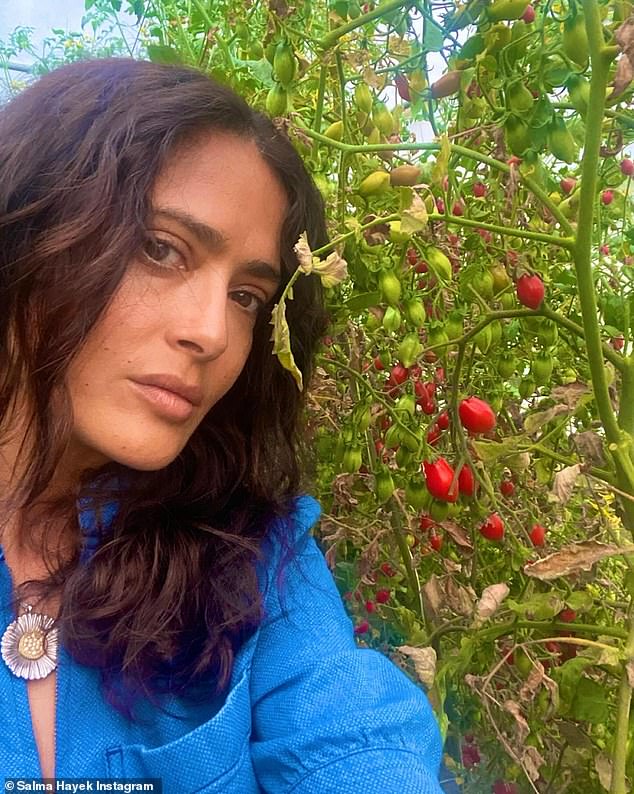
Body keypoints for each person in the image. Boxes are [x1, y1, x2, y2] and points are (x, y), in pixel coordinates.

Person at [0, 57, 443, 792]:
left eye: (246, 296)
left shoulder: (255, 559)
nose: (212, 333)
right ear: (28, 226)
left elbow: (355, 743)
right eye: (161, 248)